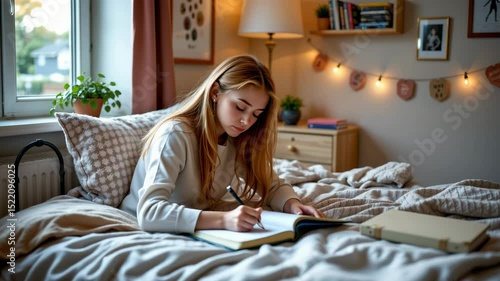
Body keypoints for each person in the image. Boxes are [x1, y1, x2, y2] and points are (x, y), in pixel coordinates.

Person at [120, 55, 325, 234]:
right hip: (151, 225)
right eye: (240, 107)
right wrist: (224, 220)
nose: (246, 121)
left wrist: (294, 206)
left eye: (256, 114)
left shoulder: (236, 138)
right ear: (215, 92)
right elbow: (149, 212)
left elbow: (269, 184)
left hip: (195, 226)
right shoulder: (175, 135)